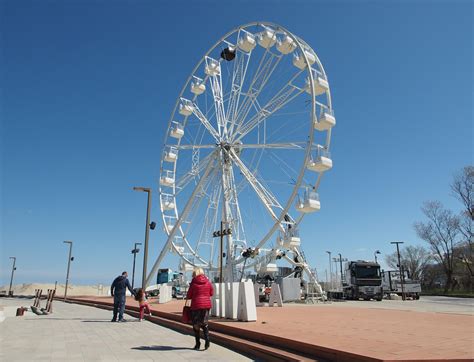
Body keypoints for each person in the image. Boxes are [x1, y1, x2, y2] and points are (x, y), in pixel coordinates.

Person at [186, 267, 214, 350]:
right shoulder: (208, 282)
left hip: (196, 306)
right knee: (204, 324)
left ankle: (197, 344)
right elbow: (211, 293)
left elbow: (189, 295)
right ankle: (207, 341)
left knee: (196, 325)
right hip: (206, 306)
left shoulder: (193, 283)